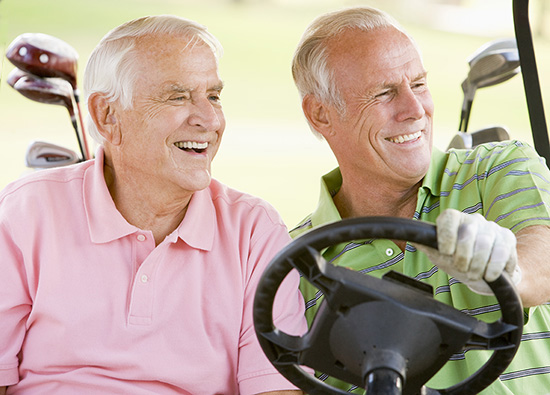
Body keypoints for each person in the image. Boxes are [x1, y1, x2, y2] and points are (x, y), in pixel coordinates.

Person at [0, 15, 307, 395]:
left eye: (213, 95)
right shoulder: (22, 214)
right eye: (177, 96)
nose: (210, 119)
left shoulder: (254, 231)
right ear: (106, 115)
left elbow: (276, 389)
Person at [290, 5, 550, 393]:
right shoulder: (297, 265)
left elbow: (543, 264)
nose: (415, 110)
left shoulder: (499, 166)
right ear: (321, 114)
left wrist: (505, 272)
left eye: (419, 84)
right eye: (384, 93)